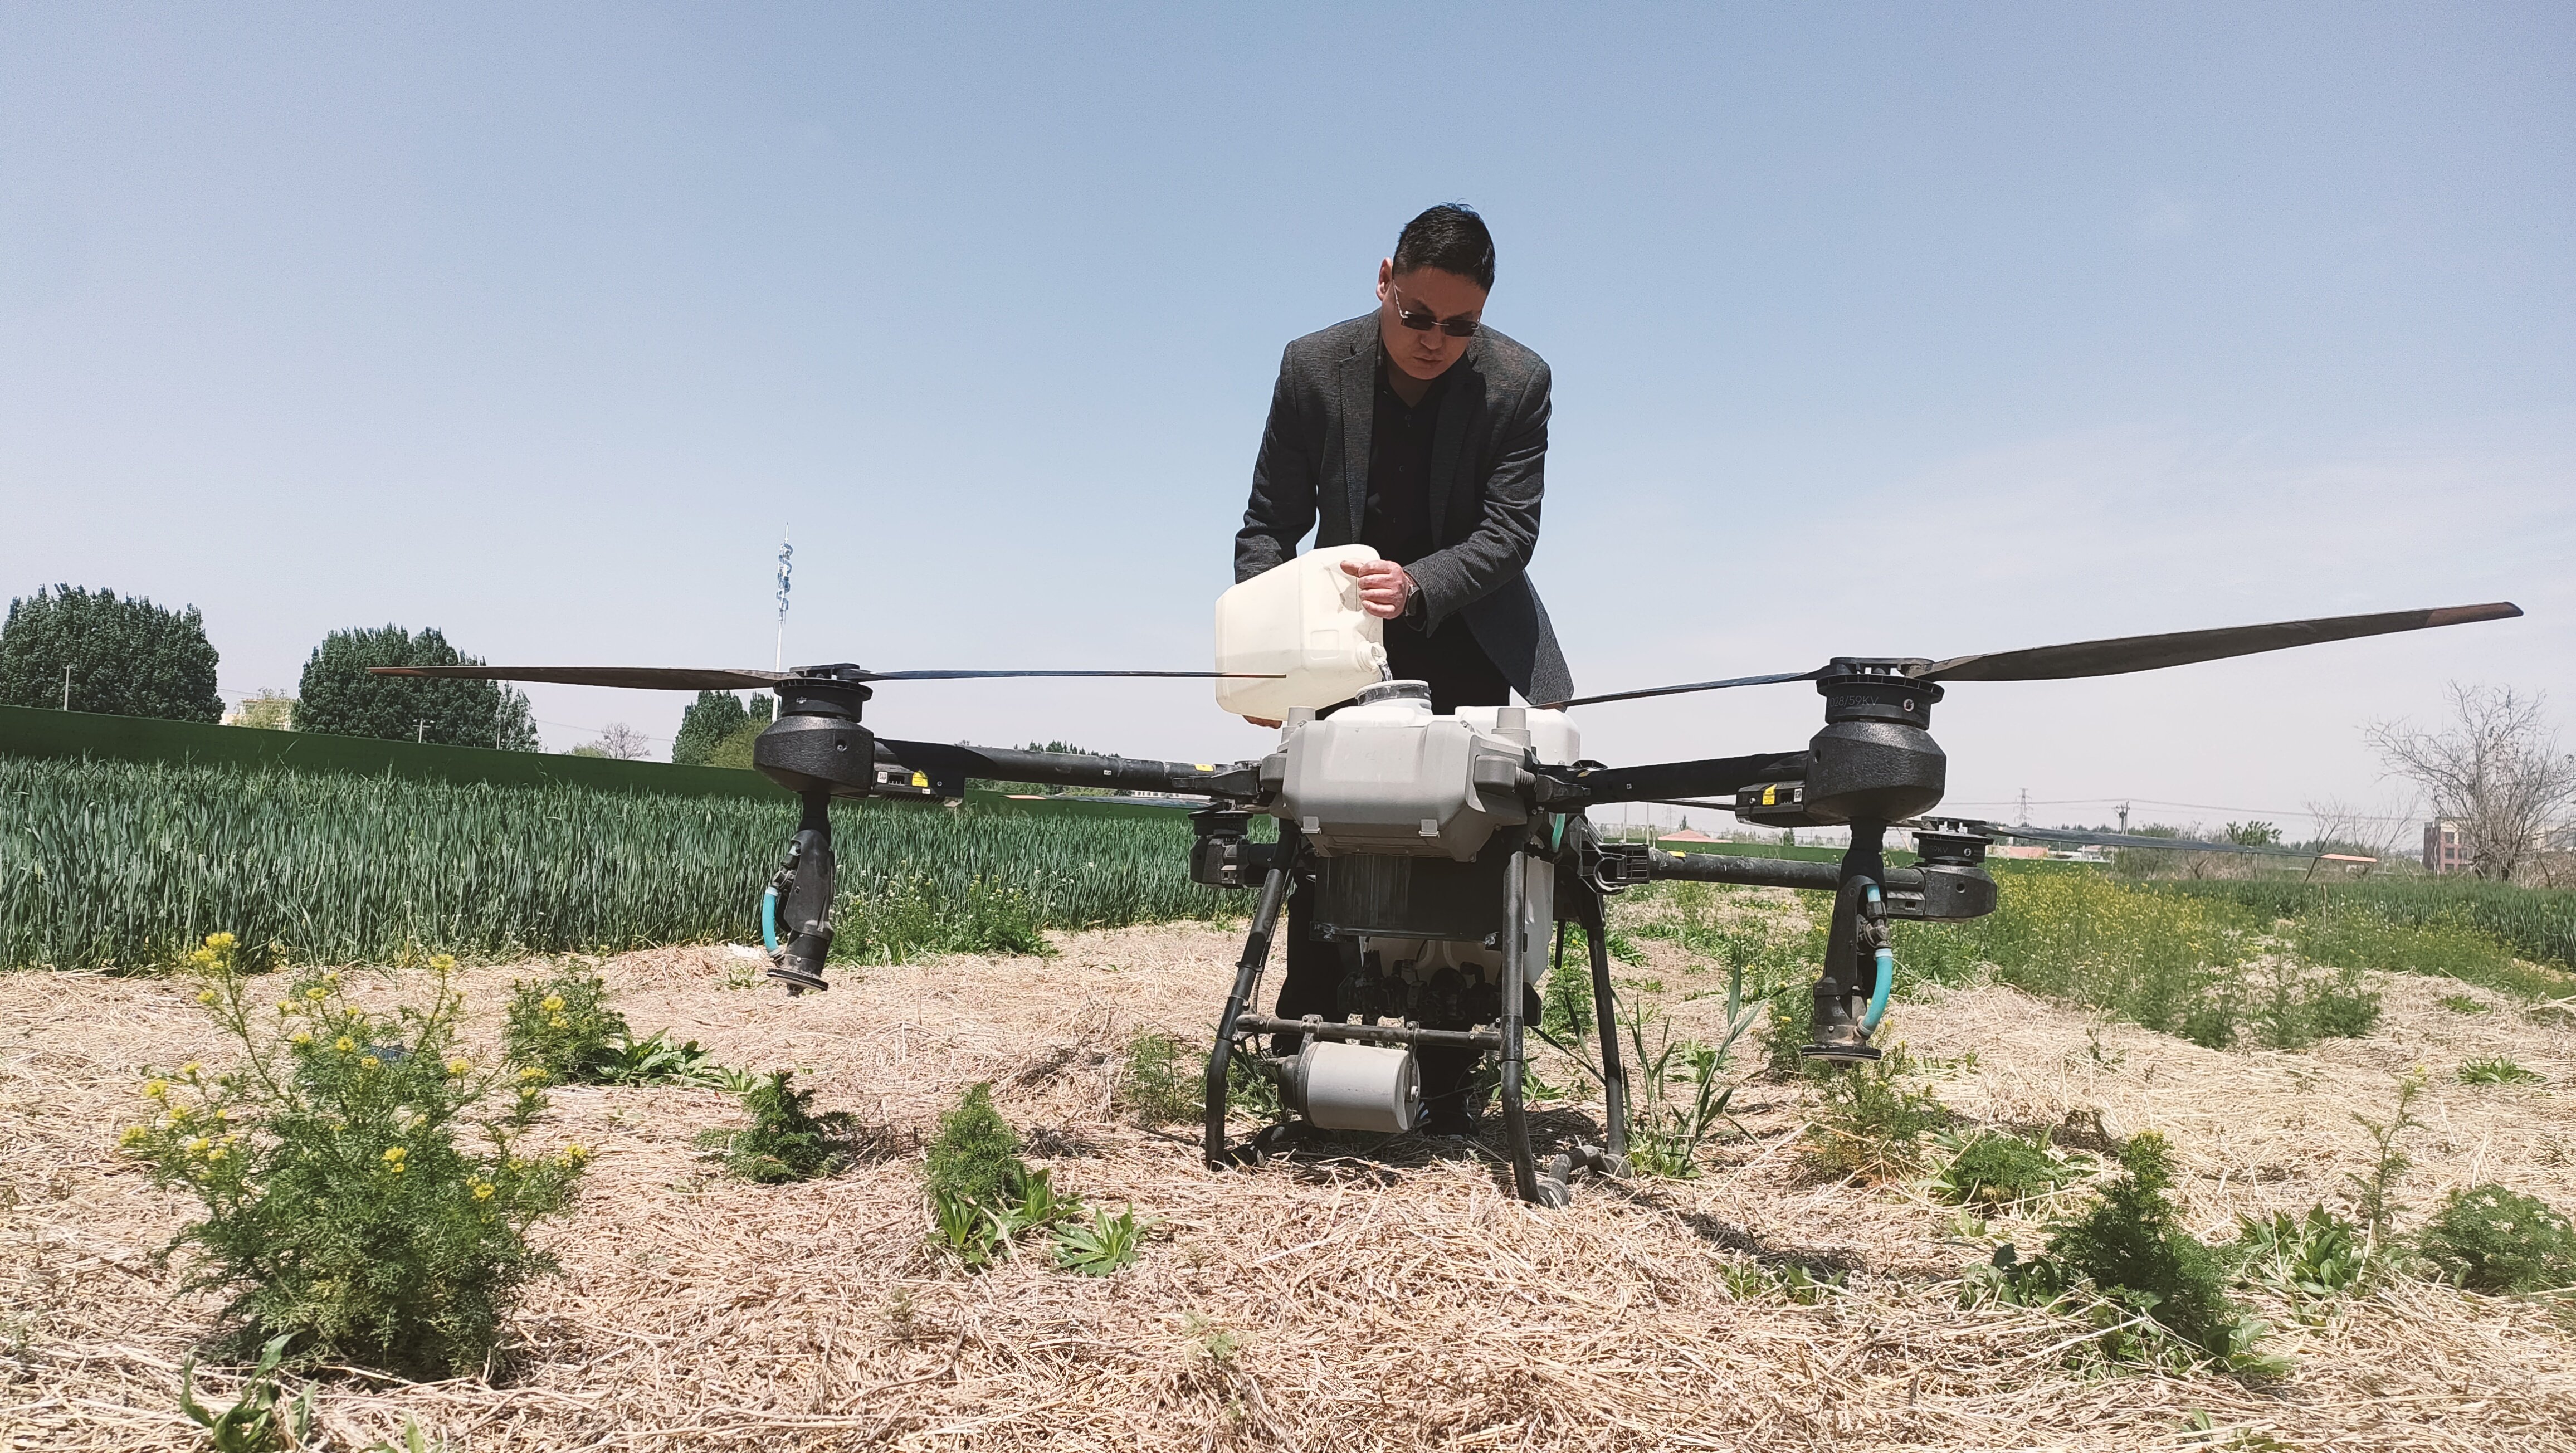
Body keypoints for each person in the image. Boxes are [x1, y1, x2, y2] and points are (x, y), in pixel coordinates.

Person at [1232, 202, 1573, 1135]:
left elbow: (1510, 533)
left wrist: (1415, 585)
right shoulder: (1312, 367)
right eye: (1417, 316)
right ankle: (1305, 1041)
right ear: (1384, 280)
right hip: (1346, 646)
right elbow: (1268, 527)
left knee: (1471, 846)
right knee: (1321, 839)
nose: (1435, 341)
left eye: (1460, 326)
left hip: (1473, 639)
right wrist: (1268, 664)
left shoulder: (1519, 381)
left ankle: (1457, 1070)